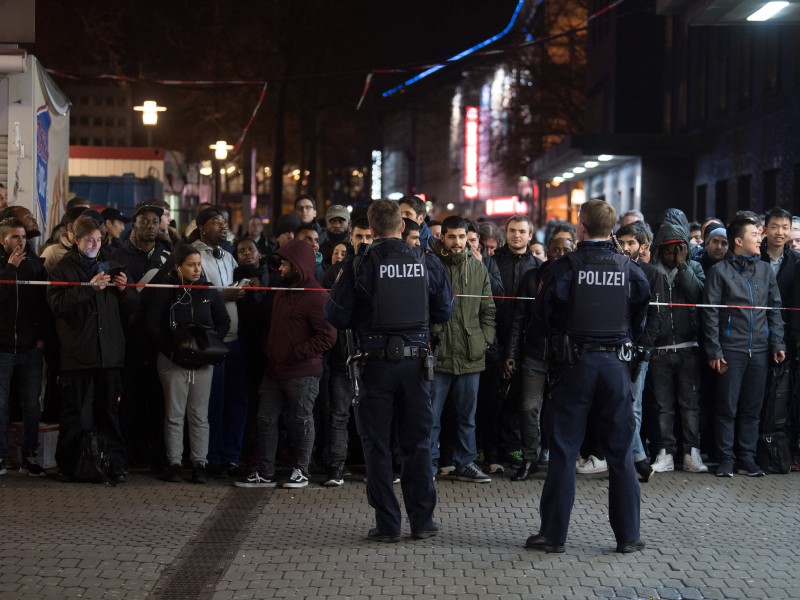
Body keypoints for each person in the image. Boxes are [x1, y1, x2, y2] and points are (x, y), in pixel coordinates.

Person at [324, 199, 454, 541]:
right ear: (402, 225)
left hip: (375, 365)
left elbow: (336, 316)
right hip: (416, 365)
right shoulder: (426, 261)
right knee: (418, 444)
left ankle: (388, 525)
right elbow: (444, 311)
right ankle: (423, 521)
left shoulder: (359, 265)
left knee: (376, 446)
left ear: (373, 226)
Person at [526, 199, 649, 554]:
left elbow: (542, 316)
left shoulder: (565, 268)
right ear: (611, 230)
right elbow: (640, 317)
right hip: (615, 365)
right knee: (621, 452)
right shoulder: (629, 268)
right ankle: (628, 536)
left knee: (564, 450)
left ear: (581, 227)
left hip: (575, 365)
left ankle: (552, 535)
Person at [236, 239, 336, 489]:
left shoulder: (315, 296)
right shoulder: (282, 291)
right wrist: (269, 347)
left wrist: (298, 351)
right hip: (275, 369)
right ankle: (265, 472)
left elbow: (328, 336)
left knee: (301, 420)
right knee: (266, 419)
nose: (279, 269)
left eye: (284, 265)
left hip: (302, 372)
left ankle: (301, 470)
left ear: (298, 266)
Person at [47, 216, 132, 482]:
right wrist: (89, 289)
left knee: (110, 412)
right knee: (74, 413)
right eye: (89, 240)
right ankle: (70, 466)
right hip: (78, 354)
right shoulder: (62, 268)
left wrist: (124, 290)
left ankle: (115, 465)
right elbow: (58, 305)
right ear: (76, 239)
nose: (94, 244)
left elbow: (131, 309)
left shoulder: (112, 265)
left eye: (98, 239)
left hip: (109, 354)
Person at [703, 217, 785, 477]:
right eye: (754, 233)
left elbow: (775, 310)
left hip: (760, 350)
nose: (760, 237)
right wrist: (714, 350)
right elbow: (710, 314)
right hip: (731, 351)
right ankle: (726, 459)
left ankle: (747, 459)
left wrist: (777, 343)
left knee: (752, 409)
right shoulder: (719, 272)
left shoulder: (764, 271)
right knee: (726, 408)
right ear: (738, 241)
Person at [143, 245, 230, 483]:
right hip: (173, 361)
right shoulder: (167, 291)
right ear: (178, 267)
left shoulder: (209, 291)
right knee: (174, 414)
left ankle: (199, 464)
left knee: (199, 415)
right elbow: (151, 325)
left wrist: (210, 346)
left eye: (198, 264)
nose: (196, 269)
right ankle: (174, 463)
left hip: (202, 363)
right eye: (190, 264)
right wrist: (173, 350)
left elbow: (224, 321)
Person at [430, 215, 496, 483]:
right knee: (431, 415)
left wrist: (484, 340)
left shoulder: (478, 268)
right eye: (451, 236)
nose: (457, 242)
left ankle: (465, 462)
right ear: (442, 237)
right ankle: (430, 463)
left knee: (467, 416)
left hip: (471, 352)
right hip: (438, 351)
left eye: (461, 236)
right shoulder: (431, 265)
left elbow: (488, 310)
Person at [192, 207, 248, 477]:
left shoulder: (228, 256)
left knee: (237, 400)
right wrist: (220, 294)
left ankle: (232, 456)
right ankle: (211, 456)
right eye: (216, 222)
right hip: (212, 340)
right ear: (202, 227)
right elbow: (191, 294)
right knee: (213, 403)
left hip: (235, 339)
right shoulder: (193, 256)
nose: (223, 227)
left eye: (224, 222)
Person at [648, 221, 707, 473]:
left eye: (678, 250)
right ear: (660, 249)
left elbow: (699, 296)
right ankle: (665, 452)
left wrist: (684, 266)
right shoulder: (651, 271)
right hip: (660, 350)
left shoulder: (694, 267)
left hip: (688, 347)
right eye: (669, 250)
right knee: (663, 406)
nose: (673, 256)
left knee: (690, 404)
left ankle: (692, 452)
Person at [615, 221, 665, 482]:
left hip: (638, 349)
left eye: (631, 243)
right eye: (621, 243)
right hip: (612, 345)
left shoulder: (652, 274)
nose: (625, 248)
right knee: (616, 404)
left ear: (643, 246)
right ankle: (633, 458)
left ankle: (635, 459)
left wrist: (643, 346)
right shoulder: (612, 268)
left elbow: (656, 315)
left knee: (634, 406)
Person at [0, 218, 48, 476]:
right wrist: (9, 270)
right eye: (15, 237)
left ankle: (30, 454)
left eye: (23, 237)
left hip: (31, 348)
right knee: (1, 405)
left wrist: (41, 340)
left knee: (31, 404)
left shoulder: (36, 267)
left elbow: (44, 306)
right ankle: (1, 456)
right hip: (3, 349)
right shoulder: (4, 267)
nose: (21, 242)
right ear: (2, 240)